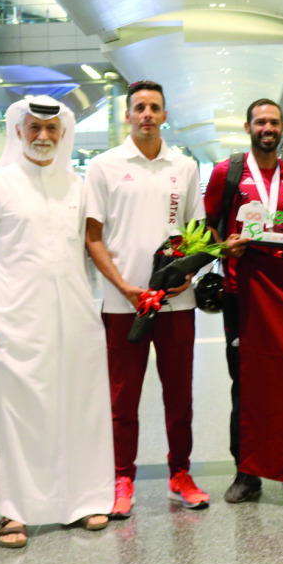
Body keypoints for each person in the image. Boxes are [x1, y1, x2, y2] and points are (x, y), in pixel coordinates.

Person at [0, 97, 114, 548]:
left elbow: (89, 248)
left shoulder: (78, 185)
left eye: (52, 129)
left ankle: (83, 500)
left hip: (74, 318)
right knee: (17, 417)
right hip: (14, 321)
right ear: (18, 131)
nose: (43, 137)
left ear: (63, 134)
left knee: (79, 408)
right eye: (34, 128)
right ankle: (14, 512)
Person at [84, 80, 209, 516]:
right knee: (122, 398)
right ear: (127, 114)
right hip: (124, 304)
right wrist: (122, 285)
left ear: (165, 114)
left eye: (155, 107)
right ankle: (122, 478)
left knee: (180, 395)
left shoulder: (185, 166)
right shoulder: (103, 166)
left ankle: (181, 473)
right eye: (139, 107)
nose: (147, 115)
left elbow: (201, 234)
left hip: (177, 302)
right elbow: (92, 237)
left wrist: (185, 274)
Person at [204, 98, 283, 504]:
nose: (267, 128)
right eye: (260, 122)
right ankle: (247, 472)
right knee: (245, 387)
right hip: (241, 297)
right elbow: (207, 228)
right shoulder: (227, 173)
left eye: (274, 122)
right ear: (248, 127)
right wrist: (223, 248)